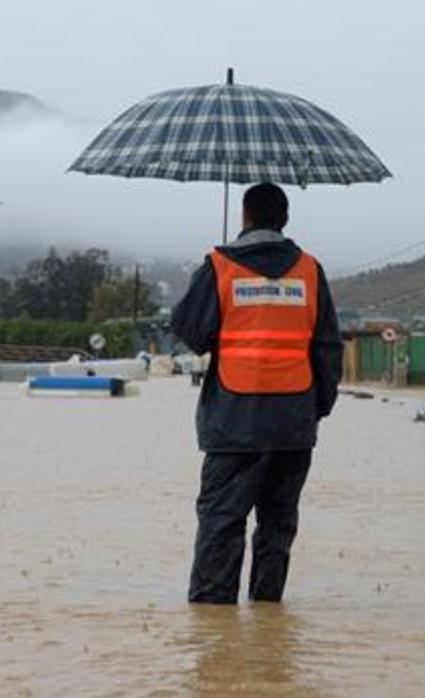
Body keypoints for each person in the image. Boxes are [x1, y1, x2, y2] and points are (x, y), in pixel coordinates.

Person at [171, 183, 343, 604]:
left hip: (234, 422)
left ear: (244, 216)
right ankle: (268, 620)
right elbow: (328, 349)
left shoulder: (218, 267)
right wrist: (314, 410)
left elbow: (190, 332)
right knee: (277, 527)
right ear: (284, 219)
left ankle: (216, 633)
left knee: (221, 523)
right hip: (293, 424)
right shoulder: (310, 270)